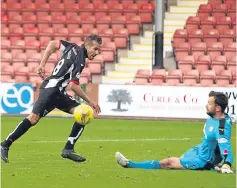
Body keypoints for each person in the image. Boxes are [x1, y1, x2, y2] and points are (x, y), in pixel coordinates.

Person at [1, 34, 102, 163]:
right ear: (87, 45)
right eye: (95, 48)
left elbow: (53, 44)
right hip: (50, 90)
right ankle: (5, 144)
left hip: (59, 93)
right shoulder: (80, 59)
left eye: (98, 50)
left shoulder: (72, 47)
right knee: (33, 118)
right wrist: (91, 101)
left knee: (84, 113)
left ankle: (68, 149)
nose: (97, 52)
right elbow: (74, 86)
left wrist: (42, 64)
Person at [115, 91, 234, 174]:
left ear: (218, 108)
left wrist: (227, 163)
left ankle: (129, 164)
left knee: (169, 162)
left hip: (203, 160)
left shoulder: (221, 127)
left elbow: (225, 147)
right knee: (181, 158)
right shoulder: (216, 118)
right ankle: (213, 167)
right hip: (198, 150)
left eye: (209, 103)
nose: (206, 105)